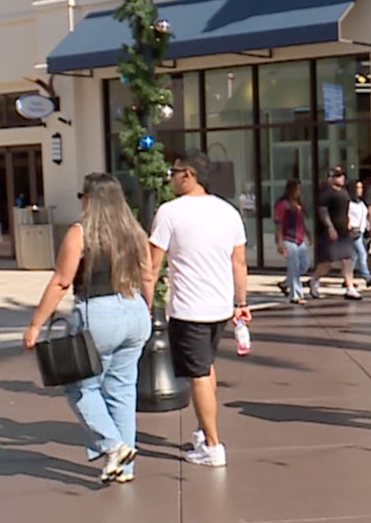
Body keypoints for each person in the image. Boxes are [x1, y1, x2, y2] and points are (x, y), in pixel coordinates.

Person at [23, 173, 154, 483]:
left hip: (99, 311)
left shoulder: (80, 234)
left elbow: (61, 281)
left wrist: (35, 325)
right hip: (134, 307)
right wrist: (146, 311)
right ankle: (124, 466)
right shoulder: (135, 233)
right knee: (121, 390)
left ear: (90, 199)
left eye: (82, 195)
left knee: (79, 384)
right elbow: (148, 276)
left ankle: (113, 446)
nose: (80, 200)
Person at [146, 150, 251, 467]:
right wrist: (241, 303)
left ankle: (213, 446)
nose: (171, 178)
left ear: (188, 174)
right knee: (206, 368)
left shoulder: (170, 212)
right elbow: (239, 262)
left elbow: (152, 266)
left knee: (199, 374)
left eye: (174, 172)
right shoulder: (228, 212)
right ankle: (204, 432)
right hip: (218, 307)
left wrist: (145, 307)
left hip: (189, 309)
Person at [311, 166, 361, 301]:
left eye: (342, 175)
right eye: (338, 176)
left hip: (344, 231)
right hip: (331, 232)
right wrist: (330, 227)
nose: (341, 178)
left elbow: (346, 209)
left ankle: (349, 287)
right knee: (328, 261)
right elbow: (323, 211)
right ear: (331, 178)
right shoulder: (326, 193)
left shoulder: (344, 192)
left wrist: (349, 222)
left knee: (347, 259)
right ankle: (315, 280)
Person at [274, 178, 310, 304]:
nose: (298, 192)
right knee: (294, 266)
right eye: (296, 189)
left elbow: (301, 222)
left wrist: (308, 233)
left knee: (304, 265)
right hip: (288, 238)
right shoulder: (282, 204)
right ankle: (296, 294)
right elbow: (278, 224)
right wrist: (280, 242)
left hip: (299, 239)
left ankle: (286, 283)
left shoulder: (298, 204)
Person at [349, 179, 371, 286]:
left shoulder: (361, 204)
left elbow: (364, 217)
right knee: (362, 253)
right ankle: (367, 277)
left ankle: (348, 277)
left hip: (361, 231)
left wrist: (368, 228)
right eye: (357, 188)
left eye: (361, 188)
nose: (360, 190)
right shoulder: (349, 204)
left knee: (354, 256)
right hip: (353, 231)